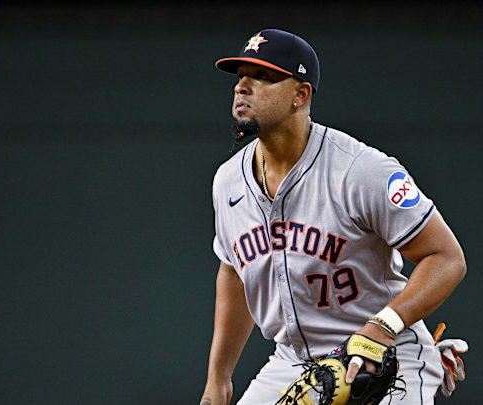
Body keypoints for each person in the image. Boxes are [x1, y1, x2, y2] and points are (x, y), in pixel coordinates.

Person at [200, 28, 467, 405]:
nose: (242, 86)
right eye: (241, 76)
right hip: (293, 362)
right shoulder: (228, 181)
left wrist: (385, 325)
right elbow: (234, 273)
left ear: (300, 94)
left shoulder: (361, 170)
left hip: (386, 358)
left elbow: (447, 258)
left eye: (263, 76)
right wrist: (219, 379)